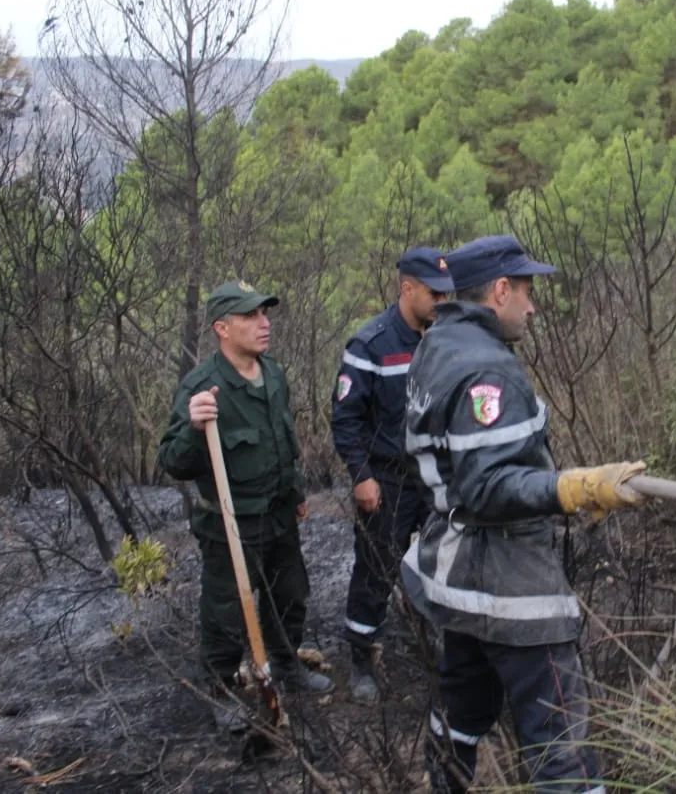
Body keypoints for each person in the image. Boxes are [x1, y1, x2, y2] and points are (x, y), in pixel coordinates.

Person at [400, 234, 647, 794]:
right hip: (510, 584)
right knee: (561, 745)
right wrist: (576, 488)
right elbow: (486, 486)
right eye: (528, 291)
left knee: (460, 716)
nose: (534, 307)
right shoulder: (489, 371)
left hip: (457, 582)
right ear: (501, 291)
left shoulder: (438, 343)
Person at [157, 280, 330, 734]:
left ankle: (286, 666)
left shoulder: (272, 374)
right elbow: (173, 462)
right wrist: (194, 429)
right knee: (226, 612)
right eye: (250, 316)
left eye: (264, 314)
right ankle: (223, 689)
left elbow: (283, 441)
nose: (264, 323)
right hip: (230, 524)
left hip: (278, 515)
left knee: (290, 596)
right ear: (221, 327)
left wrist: (295, 495)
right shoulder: (201, 387)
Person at [332, 247, 454, 704]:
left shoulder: (443, 339)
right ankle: (361, 656)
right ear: (407, 288)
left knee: (443, 561)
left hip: (436, 480)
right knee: (376, 570)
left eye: (447, 293)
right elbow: (346, 421)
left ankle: (434, 646)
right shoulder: (370, 345)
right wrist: (361, 477)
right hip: (387, 480)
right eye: (434, 293)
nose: (443, 301)